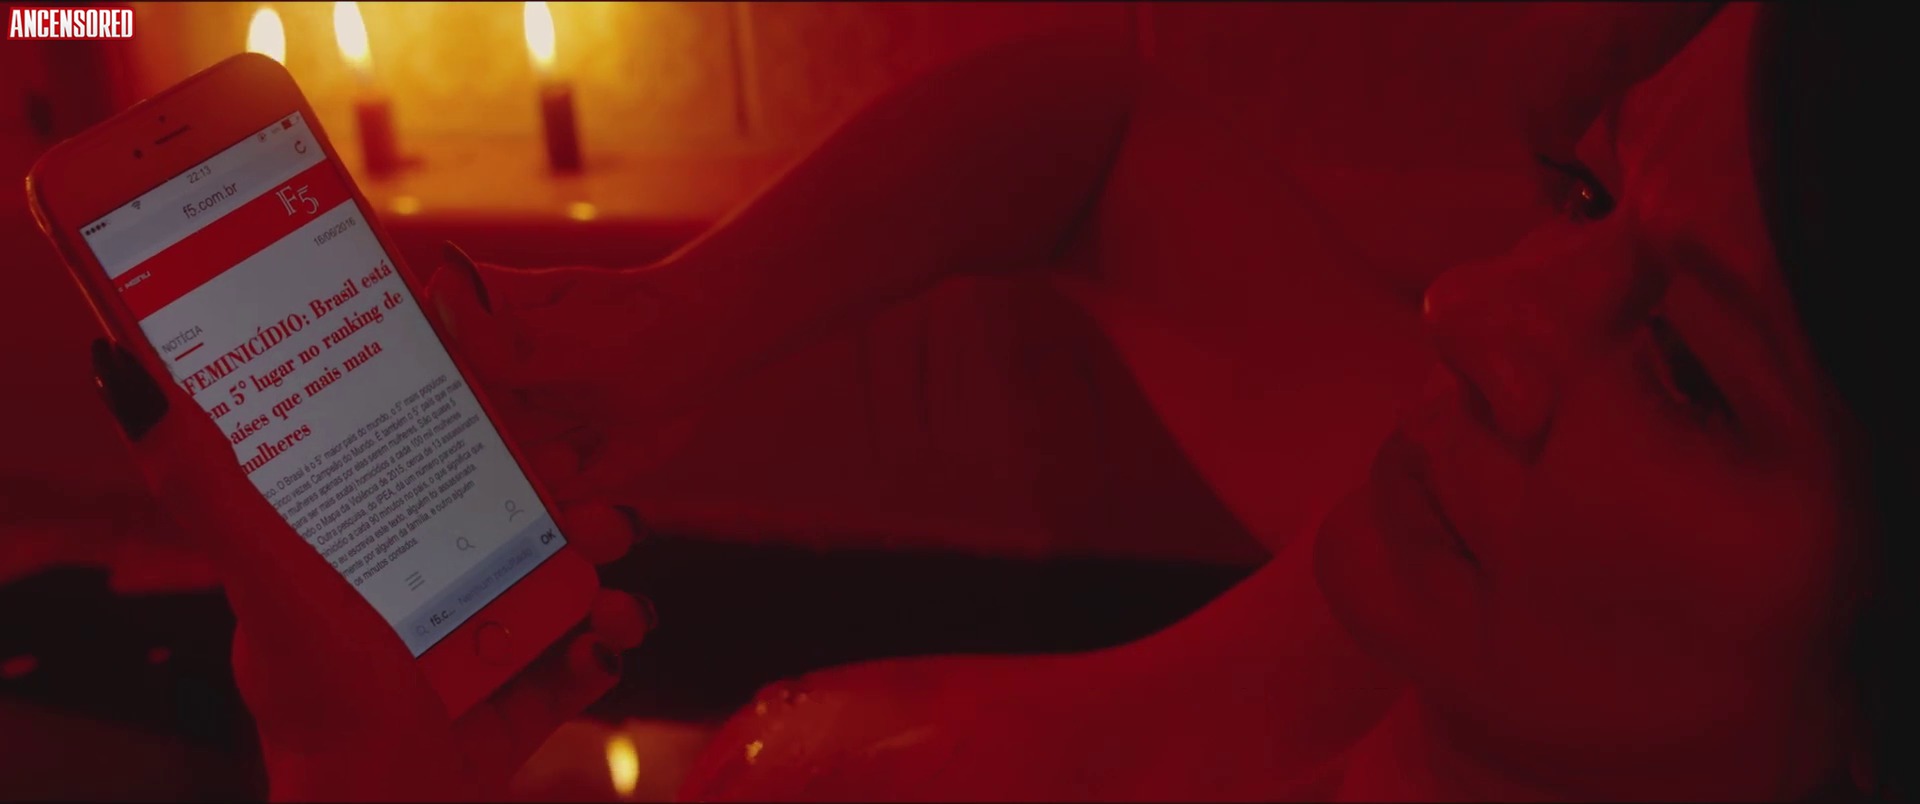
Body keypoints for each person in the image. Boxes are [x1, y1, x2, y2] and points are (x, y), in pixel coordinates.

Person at [87, 1, 1901, 799]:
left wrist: (357, 772)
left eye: (1689, 367)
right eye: (1583, 197)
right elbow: (1096, 142)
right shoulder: (1424, 613)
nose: (1474, 305)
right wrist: (656, 333)